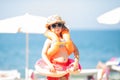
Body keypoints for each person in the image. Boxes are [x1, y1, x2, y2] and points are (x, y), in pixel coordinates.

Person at [35, 15, 81, 80]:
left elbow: (76, 50)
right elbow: (43, 54)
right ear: (50, 28)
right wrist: (50, 65)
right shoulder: (49, 40)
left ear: (62, 26)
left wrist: (76, 62)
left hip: (65, 68)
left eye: (59, 25)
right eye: (54, 25)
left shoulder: (66, 39)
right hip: (54, 68)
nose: (57, 27)